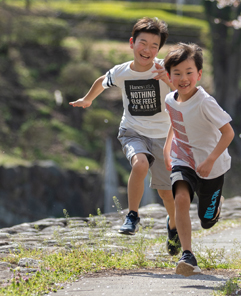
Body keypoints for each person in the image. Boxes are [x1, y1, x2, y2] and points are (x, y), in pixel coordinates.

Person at [70, 17, 181, 256]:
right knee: (139, 163)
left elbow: (185, 94)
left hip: (164, 137)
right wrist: (88, 99)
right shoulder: (122, 72)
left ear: (159, 50)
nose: (148, 50)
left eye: (154, 46)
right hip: (133, 131)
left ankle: (174, 227)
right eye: (143, 43)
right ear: (132, 43)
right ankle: (132, 215)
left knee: (166, 194)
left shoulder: (165, 69)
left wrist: (170, 82)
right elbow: (102, 81)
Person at [163, 42, 234, 277]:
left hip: (211, 166)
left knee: (206, 220)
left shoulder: (205, 102)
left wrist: (211, 160)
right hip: (183, 158)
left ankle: (216, 206)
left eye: (189, 73)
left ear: (199, 74)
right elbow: (175, 124)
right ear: (169, 76)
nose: (183, 79)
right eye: (177, 74)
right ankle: (188, 255)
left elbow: (228, 133)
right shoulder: (170, 100)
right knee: (181, 197)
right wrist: (167, 151)